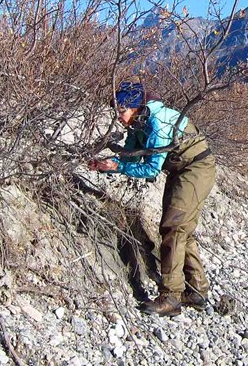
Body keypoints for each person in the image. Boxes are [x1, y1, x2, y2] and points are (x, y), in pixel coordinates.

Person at [89, 81, 215, 317]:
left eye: (122, 111)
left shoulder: (156, 122)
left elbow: (150, 169)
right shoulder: (139, 123)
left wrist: (117, 165)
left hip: (196, 167)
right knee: (180, 227)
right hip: (183, 169)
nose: (119, 117)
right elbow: (131, 155)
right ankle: (196, 291)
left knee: (174, 226)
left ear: (135, 107)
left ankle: (171, 297)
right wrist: (107, 166)